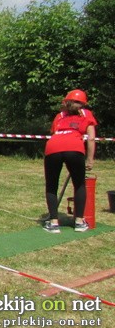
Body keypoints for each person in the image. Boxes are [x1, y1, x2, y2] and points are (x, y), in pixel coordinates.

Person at [43, 89, 97, 233]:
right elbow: (91, 138)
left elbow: (55, 134)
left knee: (51, 185)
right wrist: (90, 160)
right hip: (74, 148)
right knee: (79, 184)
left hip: (53, 148)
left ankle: (53, 222)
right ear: (83, 104)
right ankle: (79, 222)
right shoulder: (87, 114)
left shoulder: (59, 116)